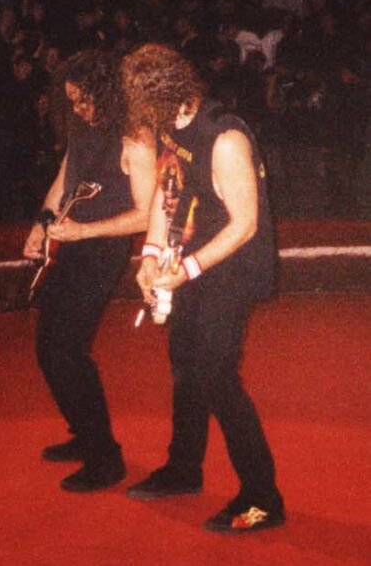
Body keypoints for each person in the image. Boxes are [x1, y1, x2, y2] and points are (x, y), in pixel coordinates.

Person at [121, 43, 284, 533]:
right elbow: (166, 192)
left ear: (162, 95)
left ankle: (263, 498)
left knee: (216, 376)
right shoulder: (172, 125)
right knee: (185, 365)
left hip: (234, 266)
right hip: (194, 260)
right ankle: (184, 469)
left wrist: (187, 269)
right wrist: (151, 255)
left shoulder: (224, 137)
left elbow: (246, 225)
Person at [23, 49, 156, 492]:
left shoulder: (135, 136)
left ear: (106, 93)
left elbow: (146, 213)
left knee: (65, 352)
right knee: (51, 349)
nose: (77, 108)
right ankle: (85, 434)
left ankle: (105, 457)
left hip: (102, 248)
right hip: (76, 242)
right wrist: (42, 223)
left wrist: (84, 231)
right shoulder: (84, 126)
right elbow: (67, 175)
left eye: (83, 99)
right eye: (72, 101)